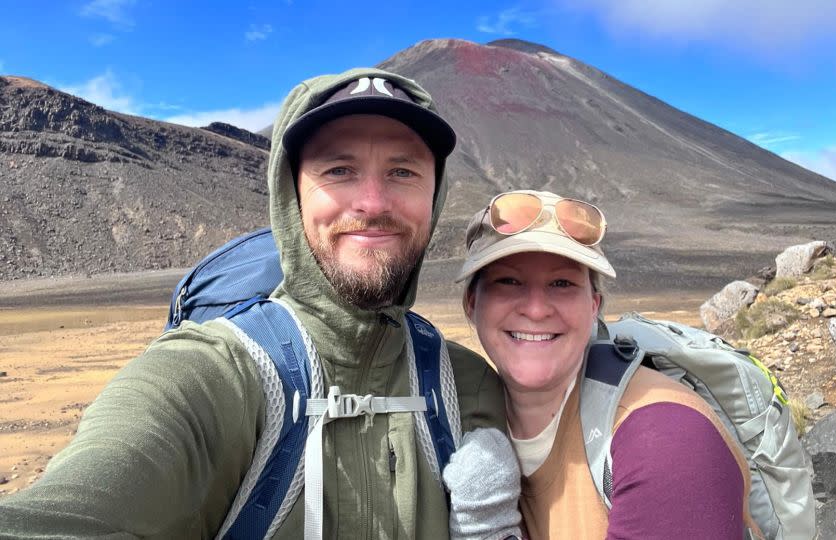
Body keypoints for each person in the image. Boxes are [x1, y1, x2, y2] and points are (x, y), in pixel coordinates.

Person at [0, 69, 521, 539]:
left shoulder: (469, 386)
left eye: (403, 172)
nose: (373, 203)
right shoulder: (209, 375)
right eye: (339, 170)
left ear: (435, 196)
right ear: (290, 196)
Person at [458, 189, 762, 539]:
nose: (537, 309)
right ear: (471, 303)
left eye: (562, 283)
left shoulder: (666, 439)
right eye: (508, 281)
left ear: (593, 306)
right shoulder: (464, 415)